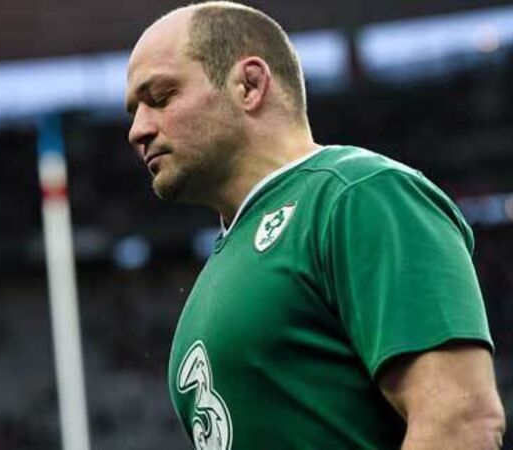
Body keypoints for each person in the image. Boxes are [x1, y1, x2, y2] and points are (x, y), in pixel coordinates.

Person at [124, 2, 505, 449]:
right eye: (134, 111)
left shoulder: (359, 194)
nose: (137, 130)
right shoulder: (219, 269)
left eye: (161, 97)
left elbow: (460, 420)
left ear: (249, 84)